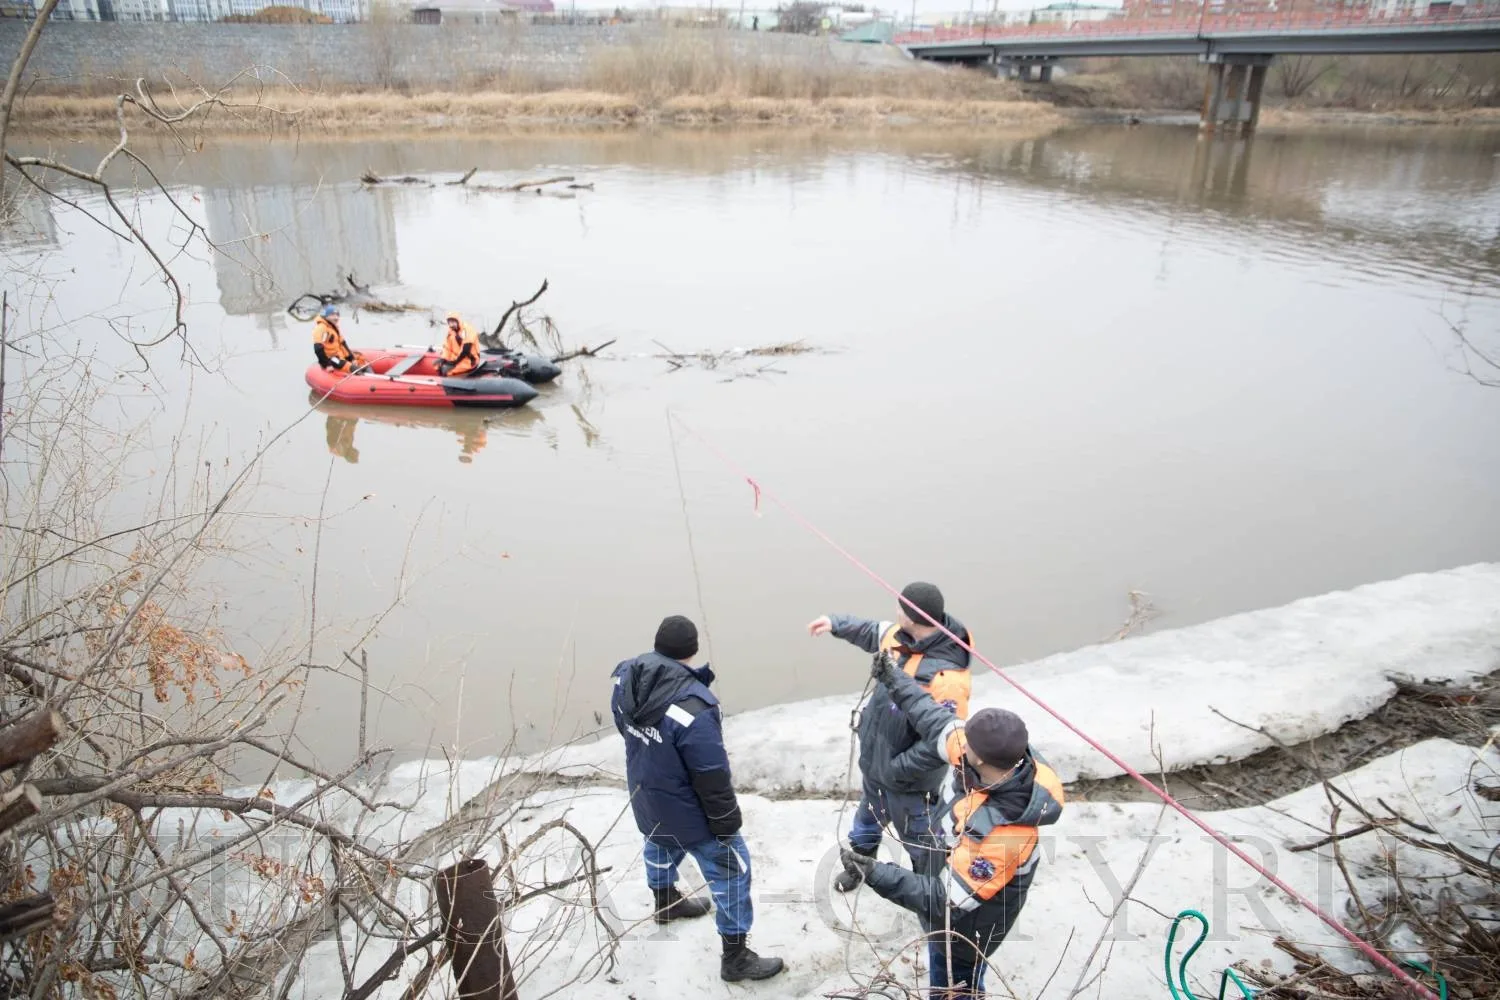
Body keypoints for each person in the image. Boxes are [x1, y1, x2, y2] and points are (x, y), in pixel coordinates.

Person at [839, 651, 1063, 999]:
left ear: (981, 758)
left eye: (967, 744)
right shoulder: (996, 764)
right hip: (950, 888)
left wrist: (875, 873)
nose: (959, 743)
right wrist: (894, 678)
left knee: (954, 983)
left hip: (965, 931)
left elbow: (946, 901)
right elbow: (933, 719)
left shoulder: (1005, 836)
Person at [610, 615, 785, 983]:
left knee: (658, 843)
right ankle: (735, 957)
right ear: (693, 651)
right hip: (691, 814)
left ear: (658, 645)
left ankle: (666, 902)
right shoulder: (694, 706)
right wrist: (726, 823)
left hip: (647, 797)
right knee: (732, 871)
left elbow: (622, 725)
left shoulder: (626, 677)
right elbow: (711, 774)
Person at [807, 582, 973, 890]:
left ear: (912, 617)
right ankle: (859, 867)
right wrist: (835, 624)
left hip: (909, 786)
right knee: (865, 826)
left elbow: (946, 741)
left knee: (921, 841)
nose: (895, 611)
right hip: (876, 771)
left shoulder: (946, 680)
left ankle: (927, 891)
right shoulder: (899, 636)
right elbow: (871, 631)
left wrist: (898, 767)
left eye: (900, 607)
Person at [312, 305, 365, 372]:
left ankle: (375, 378)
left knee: (362, 361)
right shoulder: (321, 328)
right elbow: (318, 348)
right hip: (331, 358)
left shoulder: (334, 327)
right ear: (326, 316)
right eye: (333, 315)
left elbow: (343, 344)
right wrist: (327, 364)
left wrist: (351, 358)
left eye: (337, 315)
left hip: (340, 356)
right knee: (354, 368)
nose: (336, 317)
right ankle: (366, 380)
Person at [436, 312, 481, 376]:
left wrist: (454, 363)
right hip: (457, 357)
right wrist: (443, 358)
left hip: (469, 360)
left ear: (458, 321)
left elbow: (466, 349)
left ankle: (447, 383)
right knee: (437, 365)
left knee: (446, 370)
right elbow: (447, 348)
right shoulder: (451, 331)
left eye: (453, 322)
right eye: (450, 322)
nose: (451, 325)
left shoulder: (467, 330)